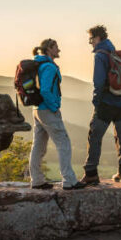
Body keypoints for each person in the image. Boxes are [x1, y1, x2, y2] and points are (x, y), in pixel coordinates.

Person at [28, 38, 85, 190]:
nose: (59, 50)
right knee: (63, 142)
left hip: (37, 109)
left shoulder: (39, 64)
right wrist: (54, 106)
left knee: (38, 145)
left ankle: (37, 180)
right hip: (47, 109)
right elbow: (46, 90)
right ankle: (69, 181)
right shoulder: (49, 67)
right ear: (49, 49)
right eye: (56, 47)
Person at [80, 25, 121, 185]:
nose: (90, 43)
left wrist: (96, 102)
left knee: (94, 137)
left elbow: (99, 82)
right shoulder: (114, 53)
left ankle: (91, 173)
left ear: (97, 38)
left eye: (91, 39)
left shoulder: (100, 56)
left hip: (106, 103)